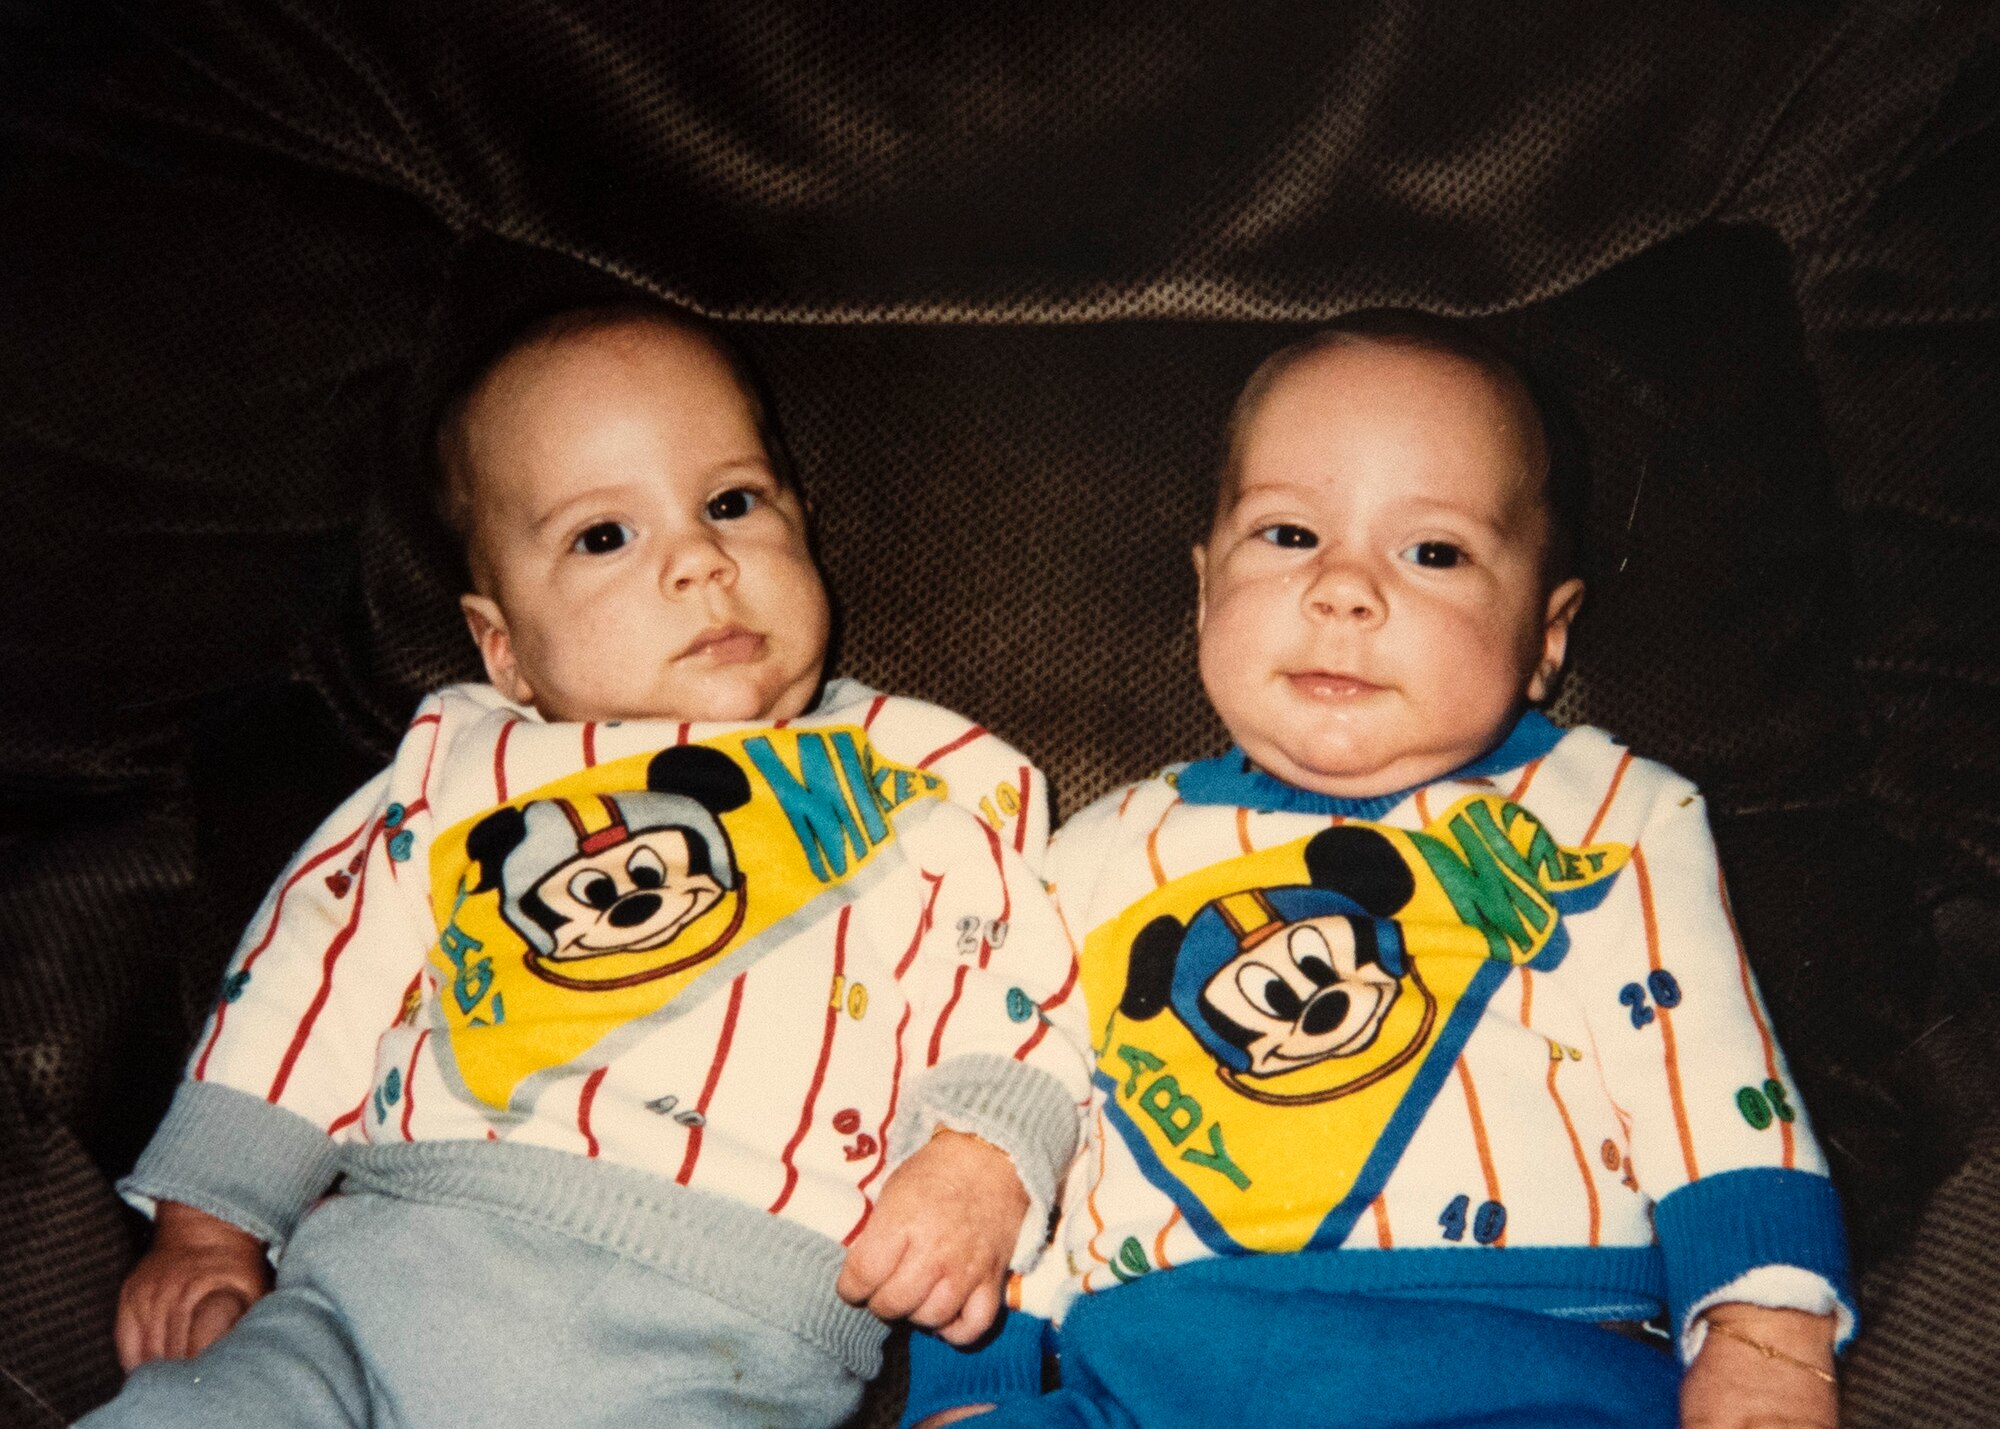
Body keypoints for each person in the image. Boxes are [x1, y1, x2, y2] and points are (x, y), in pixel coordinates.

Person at [86, 305, 1091, 1429]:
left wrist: (978, 1158)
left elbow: (1020, 982)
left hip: (721, 1336)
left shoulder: (925, 769)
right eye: (604, 536)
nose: (701, 561)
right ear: (501, 645)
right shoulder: (462, 767)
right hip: (377, 1285)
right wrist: (210, 1221)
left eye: (732, 503)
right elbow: (314, 967)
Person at [905, 312, 1853, 1429]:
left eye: (1432, 551)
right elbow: (1009, 1127)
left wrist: (1763, 1336)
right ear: (1204, 590)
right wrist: (969, 1386)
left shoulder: (1612, 815)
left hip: (1517, 1359)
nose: (1343, 590)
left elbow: (1710, 1075)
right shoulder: (1091, 857)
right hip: (1160, 1368)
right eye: (1288, 535)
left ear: (1546, 636)